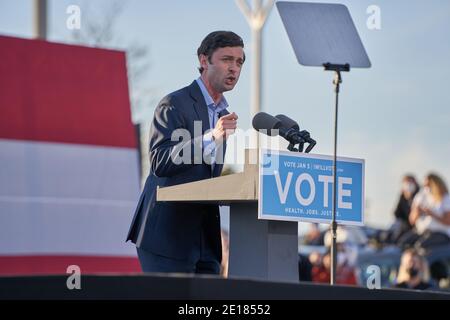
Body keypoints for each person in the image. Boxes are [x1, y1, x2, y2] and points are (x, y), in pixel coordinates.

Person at [126, 31, 245, 274]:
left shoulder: (222, 114)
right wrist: (211, 136)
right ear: (204, 61)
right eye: (226, 60)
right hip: (167, 238)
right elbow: (160, 161)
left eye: (239, 62)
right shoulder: (174, 103)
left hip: (205, 243)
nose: (234, 68)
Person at [398, 173, 450, 250]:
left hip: (440, 233)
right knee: (403, 242)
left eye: (429, 185)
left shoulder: (445, 198)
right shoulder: (421, 196)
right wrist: (417, 212)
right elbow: (411, 220)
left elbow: (448, 221)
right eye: (425, 185)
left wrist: (431, 214)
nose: (426, 188)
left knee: (421, 245)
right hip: (421, 232)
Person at [378, 175, 419, 245]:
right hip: (404, 225)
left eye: (410, 183)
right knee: (394, 227)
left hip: (415, 227)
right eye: (406, 184)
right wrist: (406, 197)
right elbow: (397, 213)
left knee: (402, 239)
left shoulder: (419, 195)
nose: (408, 186)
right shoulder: (403, 196)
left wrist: (411, 198)